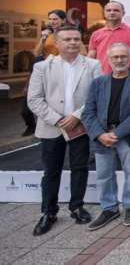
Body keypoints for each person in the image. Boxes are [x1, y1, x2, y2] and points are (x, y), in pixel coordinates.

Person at [27, 26, 101, 235]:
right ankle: (48, 212)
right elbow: (34, 99)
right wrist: (58, 119)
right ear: (57, 43)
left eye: (76, 39)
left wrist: (77, 116)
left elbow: (97, 96)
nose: (73, 42)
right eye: (67, 39)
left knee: (80, 168)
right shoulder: (42, 67)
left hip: (80, 126)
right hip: (52, 127)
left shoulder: (93, 65)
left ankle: (77, 207)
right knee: (51, 171)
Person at [81, 43, 130, 230]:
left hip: (128, 136)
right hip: (102, 137)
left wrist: (117, 133)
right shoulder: (98, 83)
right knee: (104, 176)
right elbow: (88, 113)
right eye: (115, 57)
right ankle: (109, 209)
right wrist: (100, 134)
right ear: (108, 59)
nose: (119, 60)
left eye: (123, 56)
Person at [88, 1, 130, 73]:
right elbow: (91, 57)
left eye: (116, 10)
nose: (112, 12)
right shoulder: (96, 34)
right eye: (108, 10)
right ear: (104, 13)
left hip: (124, 76)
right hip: (100, 76)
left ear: (123, 13)